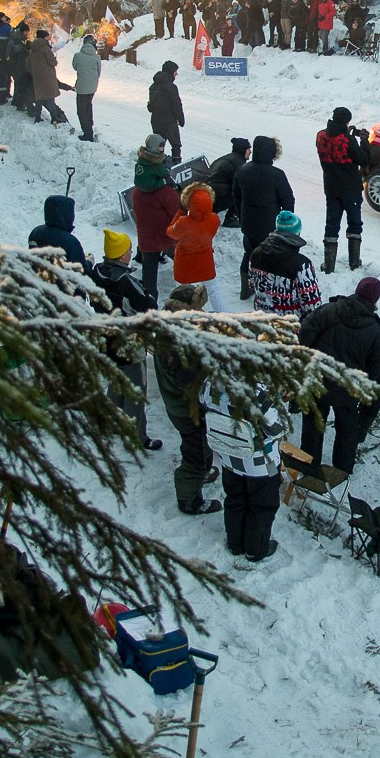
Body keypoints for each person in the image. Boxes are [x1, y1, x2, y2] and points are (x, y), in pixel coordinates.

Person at [296, 276, 380, 472]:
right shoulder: (377, 335)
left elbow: (305, 332)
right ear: (374, 301)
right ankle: (343, 469)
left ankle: (308, 466)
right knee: (347, 430)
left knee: (313, 425)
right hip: (347, 390)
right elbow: (377, 368)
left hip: (317, 378)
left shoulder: (329, 310)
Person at [89, 230, 162, 451]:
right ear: (122, 256)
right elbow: (149, 307)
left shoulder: (97, 273)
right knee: (135, 391)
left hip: (106, 337)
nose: (132, 252)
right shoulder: (126, 283)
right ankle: (137, 436)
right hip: (129, 342)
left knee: (116, 381)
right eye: (129, 249)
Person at [155, 284, 222, 515]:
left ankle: (203, 470)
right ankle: (189, 499)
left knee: (200, 442)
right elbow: (194, 383)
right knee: (194, 449)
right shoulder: (180, 346)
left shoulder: (167, 328)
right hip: (186, 409)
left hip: (176, 403)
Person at [205, 382, 287, 561]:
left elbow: (203, 404)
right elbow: (278, 427)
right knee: (262, 507)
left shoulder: (213, 381)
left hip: (228, 457)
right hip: (260, 464)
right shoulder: (261, 393)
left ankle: (235, 544)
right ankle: (255, 550)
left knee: (235, 499)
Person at [234, 136, 293, 301]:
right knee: (271, 257)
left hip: (248, 223)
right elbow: (288, 200)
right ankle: (269, 292)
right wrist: (287, 223)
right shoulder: (276, 175)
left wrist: (241, 215)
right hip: (270, 226)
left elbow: (236, 196)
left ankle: (245, 289)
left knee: (249, 253)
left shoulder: (242, 170)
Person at [316, 106, 370, 274]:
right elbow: (364, 159)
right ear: (347, 121)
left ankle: (329, 266)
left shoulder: (320, 136)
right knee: (354, 224)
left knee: (331, 225)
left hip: (331, 189)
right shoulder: (348, 140)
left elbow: (333, 143)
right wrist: (364, 141)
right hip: (351, 190)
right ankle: (354, 263)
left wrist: (346, 132)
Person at [131, 134, 181, 298]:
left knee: (149, 269)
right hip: (164, 235)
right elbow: (177, 211)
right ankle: (187, 286)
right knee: (180, 257)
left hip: (146, 236)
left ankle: (148, 298)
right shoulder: (163, 192)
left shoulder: (138, 190)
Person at [247, 210, 322, 316]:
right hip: (290, 326)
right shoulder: (302, 265)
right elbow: (312, 305)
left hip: (262, 321)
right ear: (297, 233)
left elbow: (252, 285)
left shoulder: (255, 254)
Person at [167, 182, 221, 309]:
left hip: (185, 263)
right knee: (213, 290)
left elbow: (170, 232)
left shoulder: (183, 222)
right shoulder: (214, 219)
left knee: (182, 294)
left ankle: (184, 318)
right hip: (205, 261)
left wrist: (180, 213)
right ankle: (225, 315)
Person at [28, 192, 89, 268]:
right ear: (68, 214)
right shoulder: (71, 242)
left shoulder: (36, 232)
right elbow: (82, 271)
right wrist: (89, 262)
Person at [23, 30, 68, 127]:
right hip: (48, 77)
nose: (49, 39)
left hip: (37, 77)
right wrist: (55, 60)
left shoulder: (32, 50)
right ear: (44, 38)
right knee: (50, 98)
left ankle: (38, 117)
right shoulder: (45, 49)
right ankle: (54, 117)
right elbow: (53, 62)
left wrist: (34, 72)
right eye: (47, 37)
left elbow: (28, 65)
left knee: (39, 97)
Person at [209, 136, 251, 230]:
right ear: (242, 150)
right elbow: (240, 187)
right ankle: (231, 218)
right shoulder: (238, 164)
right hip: (216, 200)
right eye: (248, 149)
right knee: (245, 191)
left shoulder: (226, 158)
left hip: (208, 195)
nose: (250, 152)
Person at [148, 60, 185, 161]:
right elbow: (176, 105)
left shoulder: (153, 86)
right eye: (175, 71)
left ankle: (157, 165)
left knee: (159, 144)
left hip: (156, 120)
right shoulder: (171, 87)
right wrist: (181, 119)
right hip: (169, 122)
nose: (176, 74)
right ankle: (176, 165)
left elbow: (151, 106)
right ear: (171, 72)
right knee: (176, 144)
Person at [71, 30, 100, 142]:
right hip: (93, 86)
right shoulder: (96, 57)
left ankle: (87, 133)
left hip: (82, 86)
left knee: (81, 110)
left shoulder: (77, 56)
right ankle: (90, 125)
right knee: (88, 105)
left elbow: (75, 67)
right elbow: (99, 71)